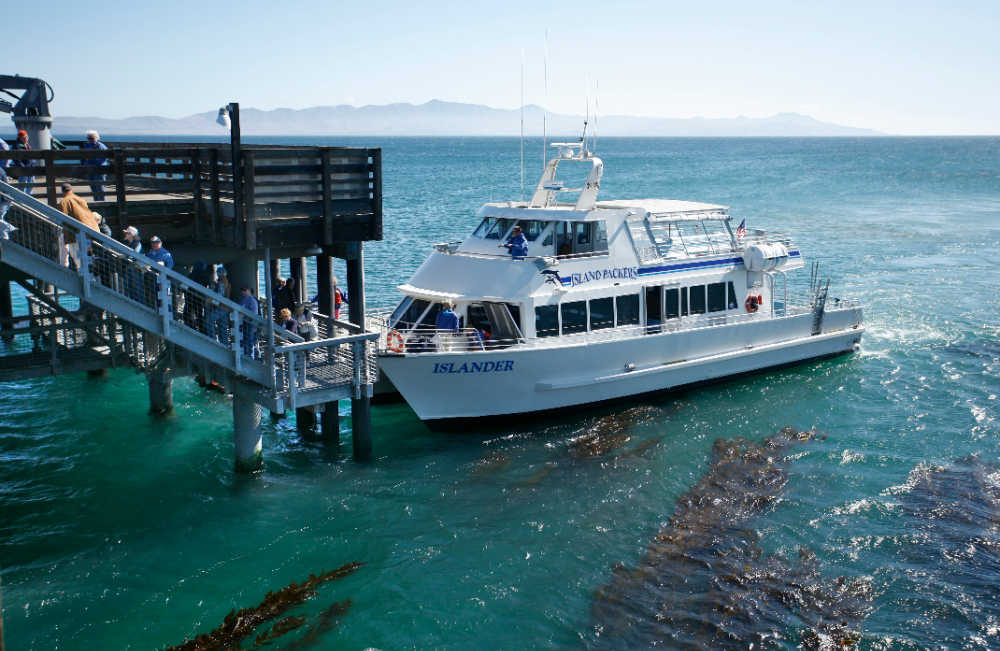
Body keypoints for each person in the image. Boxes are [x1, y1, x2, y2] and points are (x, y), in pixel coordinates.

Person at [58, 183, 100, 269]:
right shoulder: (81, 200)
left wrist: (67, 238)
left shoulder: (64, 202)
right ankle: (90, 277)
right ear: (71, 190)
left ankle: (84, 276)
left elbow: (65, 220)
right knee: (88, 258)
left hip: (75, 234)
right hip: (88, 232)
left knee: (78, 259)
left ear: (63, 192)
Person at [82, 130, 109, 201]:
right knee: (93, 187)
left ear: (97, 138)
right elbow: (84, 157)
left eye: (92, 138)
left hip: (99, 170)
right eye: (89, 138)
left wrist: (91, 160)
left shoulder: (100, 146)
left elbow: (104, 158)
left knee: (100, 188)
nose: (90, 139)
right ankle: (96, 202)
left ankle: (103, 203)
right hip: (90, 169)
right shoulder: (87, 146)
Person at [11, 130, 34, 195]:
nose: (26, 138)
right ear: (20, 138)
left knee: (32, 182)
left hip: (30, 167)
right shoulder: (17, 145)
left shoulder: (27, 145)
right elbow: (16, 158)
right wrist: (22, 166)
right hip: (23, 168)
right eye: (24, 137)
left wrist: (32, 163)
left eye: (26, 137)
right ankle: (22, 199)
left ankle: (29, 198)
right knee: (22, 184)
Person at [238, 286, 259, 357]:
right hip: (244, 323)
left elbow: (254, 314)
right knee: (245, 341)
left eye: (244, 290)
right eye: (242, 290)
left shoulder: (252, 300)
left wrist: (255, 325)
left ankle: (250, 357)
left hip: (250, 323)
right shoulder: (243, 299)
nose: (242, 292)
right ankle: (246, 355)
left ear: (248, 290)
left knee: (250, 341)